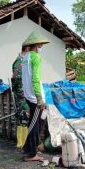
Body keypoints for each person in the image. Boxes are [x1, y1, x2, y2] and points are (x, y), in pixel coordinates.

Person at [21, 31, 49, 161]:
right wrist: (39, 99)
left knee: (34, 123)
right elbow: (35, 78)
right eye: (41, 43)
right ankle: (31, 154)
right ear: (37, 44)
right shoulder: (35, 57)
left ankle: (27, 149)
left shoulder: (25, 57)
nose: (42, 45)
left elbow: (24, 78)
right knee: (34, 126)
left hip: (28, 94)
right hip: (34, 97)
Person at [11, 44, 30, 148]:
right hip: (21, 95)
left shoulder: (24, 61)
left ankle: (22, 143)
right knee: (23, 118)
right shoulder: (19, 62)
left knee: (23, 119)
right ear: (26, 49)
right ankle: (22, 144)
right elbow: (16, 79)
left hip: (23, 95)